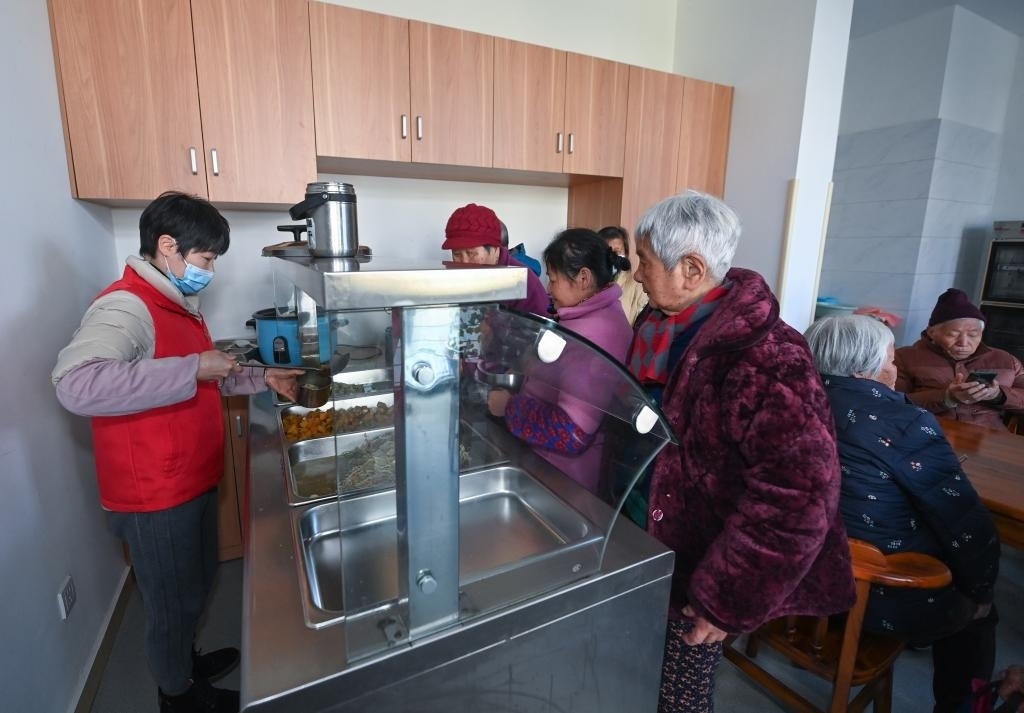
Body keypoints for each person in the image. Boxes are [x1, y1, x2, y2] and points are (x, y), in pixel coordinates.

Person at [51, 191, 302, 713]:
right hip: (155, 492)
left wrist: (262, 377)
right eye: (206, 258)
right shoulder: (127, 304)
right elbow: (77, 384)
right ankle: (178, 695)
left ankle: (186, 664)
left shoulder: (176, 303)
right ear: (168, 246)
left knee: (198, 582)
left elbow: (206, 375)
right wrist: (193, 367)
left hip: (190, 477)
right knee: (172, 604)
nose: (210, 270)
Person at [626, 190, 855, 712]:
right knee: (628, 674)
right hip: (639, 536)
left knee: (677, 698)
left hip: (699, 569)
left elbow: (798, 499)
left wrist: (724, 598)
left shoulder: (769, 356)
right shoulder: (660, 325)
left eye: (645, 261)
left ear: (691, 269)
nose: (637, 275)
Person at [805, 314, 1001, 713]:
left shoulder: (791, 402)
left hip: (804, 571)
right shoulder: (903, 422)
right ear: (865, 369)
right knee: (979, 610)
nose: (894, 369)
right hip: (871, 591)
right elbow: (964, 524)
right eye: (891, 360)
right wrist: (981, 588)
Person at [487, 228, 632, 493]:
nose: (548, 289)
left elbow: (571, 432)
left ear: (583, 278)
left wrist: (508, 406)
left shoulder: (595, 335)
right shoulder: (594, 314)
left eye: (553, 280)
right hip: (547, 464)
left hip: (563, 476)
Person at [895, 288, 1024, 430]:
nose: (963, 342)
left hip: (990, 436)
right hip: (930, 432)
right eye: (953, 335)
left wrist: (998, 395)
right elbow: (891, 404)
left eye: (973, 335)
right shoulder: (904, 357)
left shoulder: (1005, 360)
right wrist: (947, 398)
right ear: (931, 332)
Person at [442, 203, 549, 316]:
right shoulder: (454, 277)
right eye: (457, 254)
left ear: (495, 249)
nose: (463, 263)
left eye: (471, 253)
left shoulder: (525, 284)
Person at [598, 225, 648, 325]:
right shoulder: (589, 286)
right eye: (607, 252)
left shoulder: (638, 287)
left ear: (626, 254)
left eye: (617, 252)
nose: (612, 257)